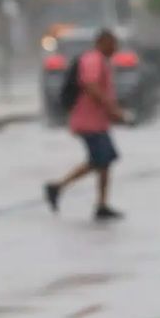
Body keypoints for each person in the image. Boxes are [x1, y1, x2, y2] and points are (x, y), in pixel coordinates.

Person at [45, 30, 128, 221]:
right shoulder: (93, 60)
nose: (115, 49)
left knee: (104, 160)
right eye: (113, 44)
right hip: (88, 121)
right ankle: (58, 187)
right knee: (100, 160)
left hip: (96, 121)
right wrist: (112, 108)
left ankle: (101, 204)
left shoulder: (100, 60)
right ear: (103, 42)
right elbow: (91, 85)